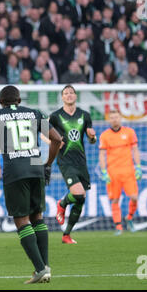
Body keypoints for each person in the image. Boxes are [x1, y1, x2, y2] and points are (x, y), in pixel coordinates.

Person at [0, 85, 62, 284]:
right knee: (37, 217)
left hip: (15, 169)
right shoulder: (34, 113)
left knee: (21, 220)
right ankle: (45, 268)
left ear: (1, 102)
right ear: (19, 100)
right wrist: (48, 165)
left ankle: (40, 268)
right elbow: (57, 139)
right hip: (35, 166)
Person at [51, 85, 96, 244]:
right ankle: (62, 203)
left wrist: (92, 137)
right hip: (65, 161)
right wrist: (55, 142)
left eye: (71, 93)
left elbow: (91, 140)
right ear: (62, 97)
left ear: (75, 96)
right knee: (77, 194)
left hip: (81, 162)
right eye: (66, 93)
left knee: (81, 198)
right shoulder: (55, 116)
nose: (69, 95)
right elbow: (43, 133)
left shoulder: (85, 115)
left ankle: (66, 235)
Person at [99, 110, 142, 235]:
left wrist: (138, 167)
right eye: (111, 117)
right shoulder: (105, 135)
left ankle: (129, 217)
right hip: (113, 173)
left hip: (128, 171)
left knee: (134, 197)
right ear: (109, 120)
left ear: (120, 118)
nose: (114, 119)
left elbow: (135, 150)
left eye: (116, 117)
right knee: (115, 200)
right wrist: (104, 171)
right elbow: (102, 155)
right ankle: (118, 226)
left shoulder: (129, 132)